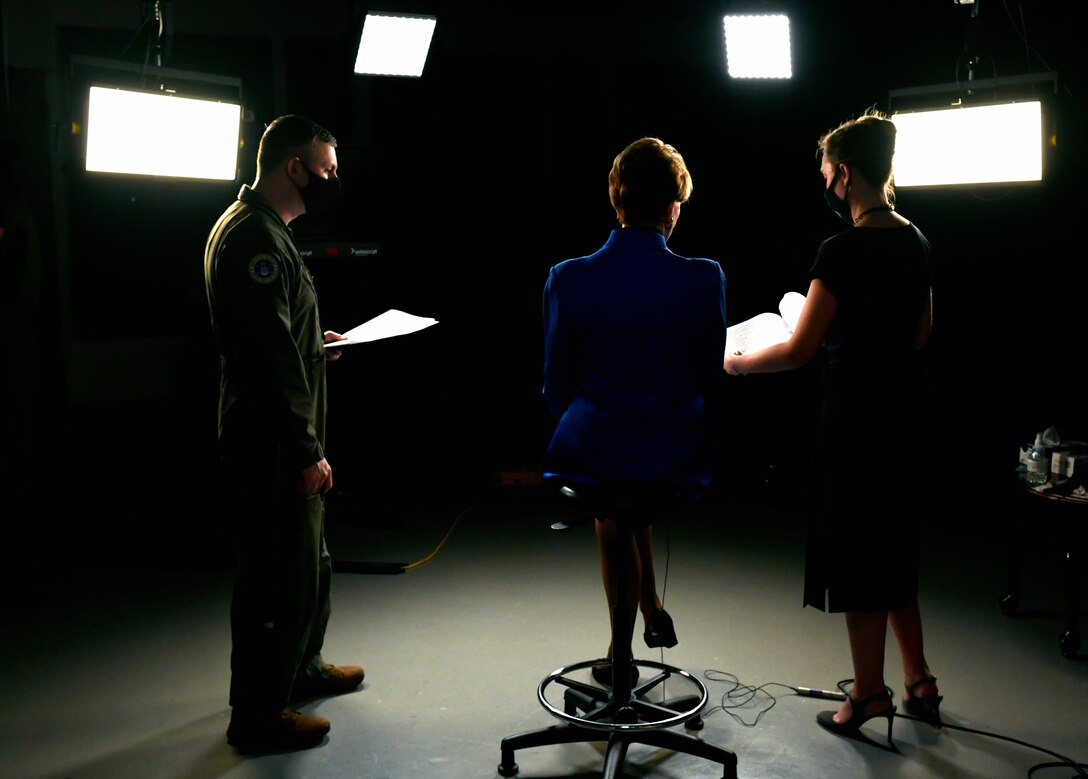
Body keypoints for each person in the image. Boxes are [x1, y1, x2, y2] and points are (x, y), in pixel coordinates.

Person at [724, 107, 941, 745]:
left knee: (858, 556)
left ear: (845, 175)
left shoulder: (841, 250)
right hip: (907, 407)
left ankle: (869, 695)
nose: (825, 182)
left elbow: (798, 350)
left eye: (826, 172)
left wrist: (737, 362)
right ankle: (919, 679)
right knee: (894, 543)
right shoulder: (917, 240)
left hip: (857, 416)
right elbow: (921, 333)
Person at [541, 137, 727, 685]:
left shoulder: (568, 277)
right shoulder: (705, 276)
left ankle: (621, 645)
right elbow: (708, 379)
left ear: (616, 204)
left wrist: (592, 424)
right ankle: (644, 609)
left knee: (611, 482)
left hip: (594, 449)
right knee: (633, 473)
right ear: (674, 207)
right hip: (676, 454)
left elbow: (556, 384)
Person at [204, 114, 363, 752]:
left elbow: (275, 335)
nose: (333, 181)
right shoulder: (254, 240)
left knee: (308, 563)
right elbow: (263, 357)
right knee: (276, 577)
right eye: (325, 170)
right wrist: (303, 450)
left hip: (281, 432)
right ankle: (258, 716)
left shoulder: (263, 229)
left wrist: (313, 344)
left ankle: (301, 667)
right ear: (293, 168)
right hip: (271, 442)